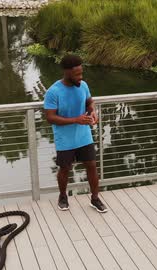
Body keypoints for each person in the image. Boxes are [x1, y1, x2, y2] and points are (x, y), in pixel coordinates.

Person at [44, 54, 108, 213]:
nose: (80, 77)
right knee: (65, 168)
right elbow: (50, 117)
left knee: (92, 165)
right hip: (65, 139)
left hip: (84, 136)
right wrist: (75, 120)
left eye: (81, 73)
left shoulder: (83, 85)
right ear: (66, 72)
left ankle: (95, 198)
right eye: (77, 74)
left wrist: (93, 111)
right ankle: (63, 196)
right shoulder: (53, 92)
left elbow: (89, 102)